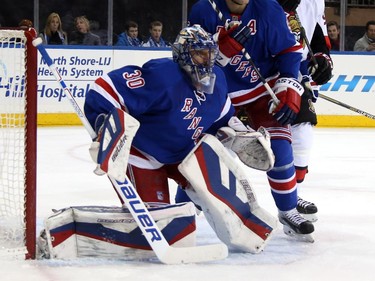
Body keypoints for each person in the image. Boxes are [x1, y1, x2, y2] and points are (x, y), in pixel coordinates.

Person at [84, 24, 276, 253]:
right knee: (162, 230)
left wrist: (239, 133)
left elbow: (223, 119)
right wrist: (103, 126)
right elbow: (104, 90)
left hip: (184, 154)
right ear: (183, 54)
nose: (206, 61)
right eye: (199, 53)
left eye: (210, 53)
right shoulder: (163, 76)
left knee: (226, 202)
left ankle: (246, 226)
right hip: (143, 154)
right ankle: (83, 231)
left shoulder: (219, 81)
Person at [185, 0, 314, 238]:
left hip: (262, 91)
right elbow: (189, 60)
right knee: (204, 152)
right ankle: (184, 209)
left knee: (279, 148)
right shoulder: (204, 10)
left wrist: (289, 84)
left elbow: (287, 51)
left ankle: (287, 209)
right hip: (219, 94)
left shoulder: (268, 8)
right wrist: (220, 52)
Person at [279, 0, 333, 222]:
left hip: (296, 69)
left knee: (302, 135)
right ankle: (195, 195)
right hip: (259, 66)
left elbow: (318, 33)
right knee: (232, 134)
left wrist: (322, 58)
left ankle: (290, 201)